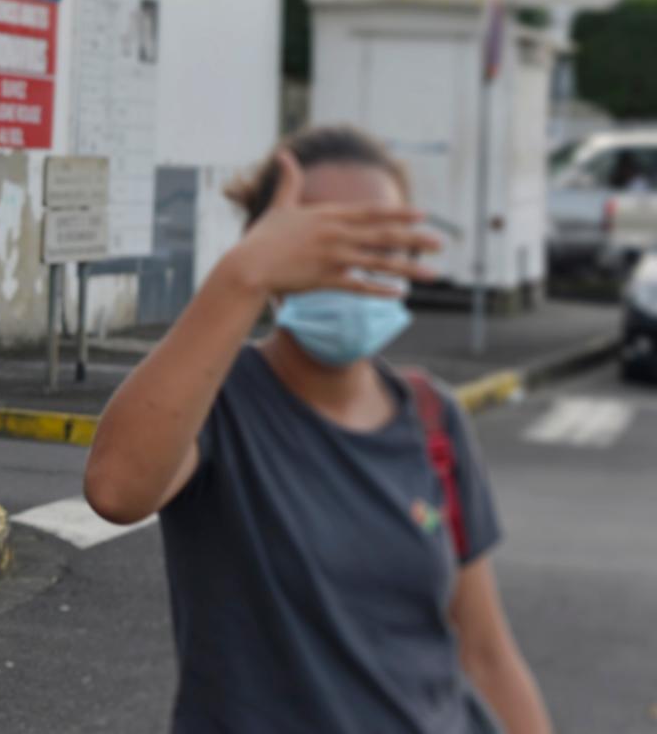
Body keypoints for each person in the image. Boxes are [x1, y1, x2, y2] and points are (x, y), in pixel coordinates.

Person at [84, 125, 554, 734]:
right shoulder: (214, 401)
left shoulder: (433, 415)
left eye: (379, 239)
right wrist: (240, 278)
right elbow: (116, 489)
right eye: (326, 239)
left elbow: (487, 653)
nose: (355, 261)